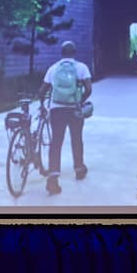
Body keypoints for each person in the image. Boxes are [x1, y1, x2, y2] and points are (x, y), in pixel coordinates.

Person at [37, 41, 92, 194]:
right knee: (76, 138)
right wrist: (80, 101)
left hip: (56, 110)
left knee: (56, 143)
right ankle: (79, 169)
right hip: (74, 109)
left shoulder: (53, 68)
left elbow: (42, 91)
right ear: (75, 52)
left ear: (61, 53)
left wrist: (42, 103)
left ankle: (53, 179)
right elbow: (88, 88)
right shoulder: (81, 67)